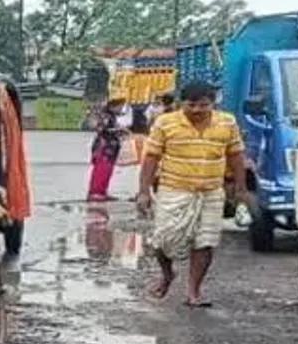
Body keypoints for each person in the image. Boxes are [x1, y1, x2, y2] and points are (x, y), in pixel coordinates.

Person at [137, 81, 247, 307]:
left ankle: (194, 292)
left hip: (211, 191)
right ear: (181, 103)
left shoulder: (227, 122)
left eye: (204, 105)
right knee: (163, 240)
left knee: (205, 242)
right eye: (192, 105)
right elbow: (151, 158)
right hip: (173, 189)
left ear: (213, 103)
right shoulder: (165, 123)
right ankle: (167, 275)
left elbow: (236, 155)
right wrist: (143, 192)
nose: (197, 110)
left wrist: (240, 187)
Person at [87, 97, 129, 202]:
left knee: (107, 171)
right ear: (112, 105)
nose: (121, 109)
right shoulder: (104, 115)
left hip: (111, 147)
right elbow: (100, 128)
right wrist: (118, 130)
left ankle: (102, 191)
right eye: (120, 106)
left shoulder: (112, 116)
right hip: (104, 147)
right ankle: (95, 192)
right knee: (101, 170)